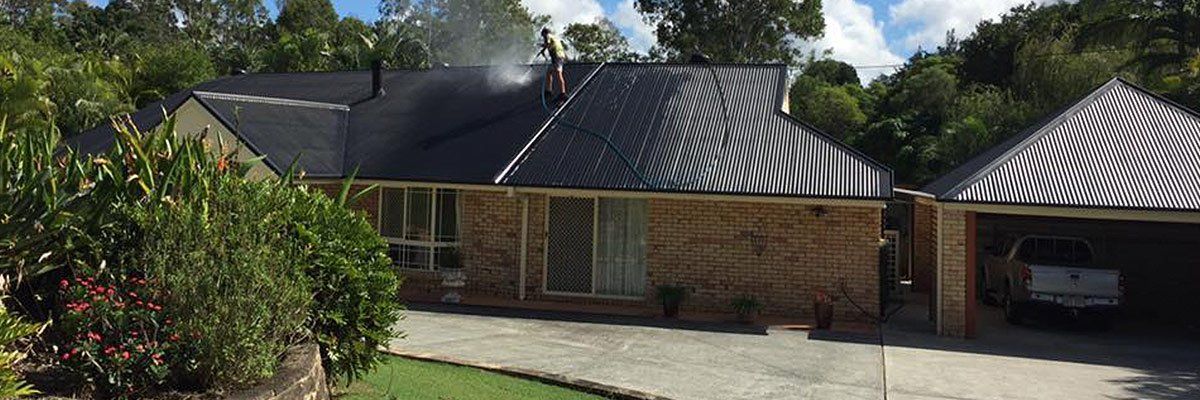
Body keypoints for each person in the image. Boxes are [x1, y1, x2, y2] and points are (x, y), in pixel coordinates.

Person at [538, 27, 568, 103]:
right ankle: (549, 90)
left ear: (544, 33)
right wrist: (543, 48)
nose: (543, 37)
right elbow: (550, 45)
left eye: (543, 36)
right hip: (560, 56)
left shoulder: (548, 36)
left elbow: (547, 44)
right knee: (549, 72)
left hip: (557, 56)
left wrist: (542, 48)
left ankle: (563, 93)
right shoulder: (554, 38)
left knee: (558, 73)